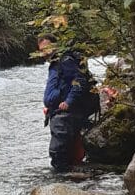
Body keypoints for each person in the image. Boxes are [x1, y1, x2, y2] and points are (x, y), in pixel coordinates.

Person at [40, 35, 100, 173]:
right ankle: (69, 175)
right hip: (59, 111)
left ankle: (63, 178)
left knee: (58, 151)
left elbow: (79, 82)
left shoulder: (66, 61)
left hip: (67, 112)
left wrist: (68, 101)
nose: (44, 52)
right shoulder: (56, 63)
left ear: (55, 45)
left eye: (47, 48)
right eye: (41, 50)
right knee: (66, 149)